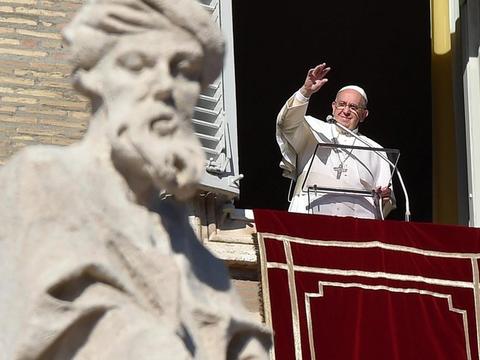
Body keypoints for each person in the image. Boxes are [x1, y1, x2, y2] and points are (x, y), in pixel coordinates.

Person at [0, 0, 270, 358]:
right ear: (93, 76)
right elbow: (37, 322)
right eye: (138, 63)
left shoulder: (183, 239)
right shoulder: (42, 179)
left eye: (185, 70)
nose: (163, 86)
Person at [276, 63, 395, 219]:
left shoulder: (375, 149)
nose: (345, 111)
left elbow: (387, 199)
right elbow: (286, 124)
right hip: (311, 220)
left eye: (353, 107)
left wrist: (385, 197)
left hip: (358, 227)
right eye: (342, 104)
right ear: (333, 107)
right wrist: (305, 92)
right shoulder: (312, 128)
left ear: (364, 114)